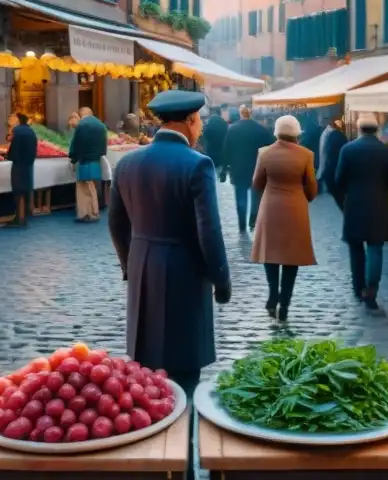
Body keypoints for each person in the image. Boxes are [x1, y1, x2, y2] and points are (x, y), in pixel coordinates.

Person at [108, 89, 230, 480]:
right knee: (185, 375)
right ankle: (183, 460)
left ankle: (150, 459)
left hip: (144, 269)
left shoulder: (127, 163)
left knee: (144, 374)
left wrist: (131, 264)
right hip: (183, 272)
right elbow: (209, 232)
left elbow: (116, 224)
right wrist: (220, 280)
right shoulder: (197, 165)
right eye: (200, 121)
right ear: (191, 120)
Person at [250, 115, 317, 321]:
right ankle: (285, 303)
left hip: (270, 207)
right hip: (295, 208)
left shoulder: (264, 153)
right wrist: (303, 195)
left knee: (270, 254)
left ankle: (272, 295)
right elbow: (312, 187)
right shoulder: (306, 155)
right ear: (297, 132)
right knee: (291, 257)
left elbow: (256, 182)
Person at [332, 112, 388, 310]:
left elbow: (339, 180)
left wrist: (350, 192)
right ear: (376, 129)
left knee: (355, 248)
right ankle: (371, 290)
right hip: (378, 203)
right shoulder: (386, 152)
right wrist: (381, 190)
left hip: (354, 203)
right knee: (375, 247)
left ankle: (358, 287)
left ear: (359, 128)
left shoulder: (348, 149)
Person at [221, 105, 274, 233]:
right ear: (251, 114)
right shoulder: (261, 129)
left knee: (241, 197)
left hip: (238, 168)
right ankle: (253, 219)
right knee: (256, 195)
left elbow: (226, 150)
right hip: (257, 167)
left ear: (240, 114)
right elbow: (270, 148)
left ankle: (242, 224)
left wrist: (224, 167)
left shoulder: (232, 129)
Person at [69, 107, 107, 222]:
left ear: (81, 114)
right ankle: (93, 212)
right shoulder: (101, 125)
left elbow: (76, 144)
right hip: (96, 160)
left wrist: (73, 158)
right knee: (92, 186)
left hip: (84, 161)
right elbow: (104, 146)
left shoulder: (81, 126)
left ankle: (87, 213)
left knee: (84, 188)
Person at [6, 113, 38, 227]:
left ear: (18, 120)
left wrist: (8, 157)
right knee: (25, 190)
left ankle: (19, 218)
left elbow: (14, 149)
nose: (10, 119)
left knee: (18, 191)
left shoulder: (17, 131)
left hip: (19, 165)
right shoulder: (31, 131)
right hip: (29, 164)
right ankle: (24, 216)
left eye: (13, 117)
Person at [318, 117, 347, 195]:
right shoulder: (334, 134)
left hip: (327, 156)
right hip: (331, 158)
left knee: (323, 170)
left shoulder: (327, 132)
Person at [200, 107, 228, 176]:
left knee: (212, 168)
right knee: (219, 166)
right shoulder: (223, 122)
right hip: (221, 148)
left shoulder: (211, 121)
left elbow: (206, 133)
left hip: (211, 148)